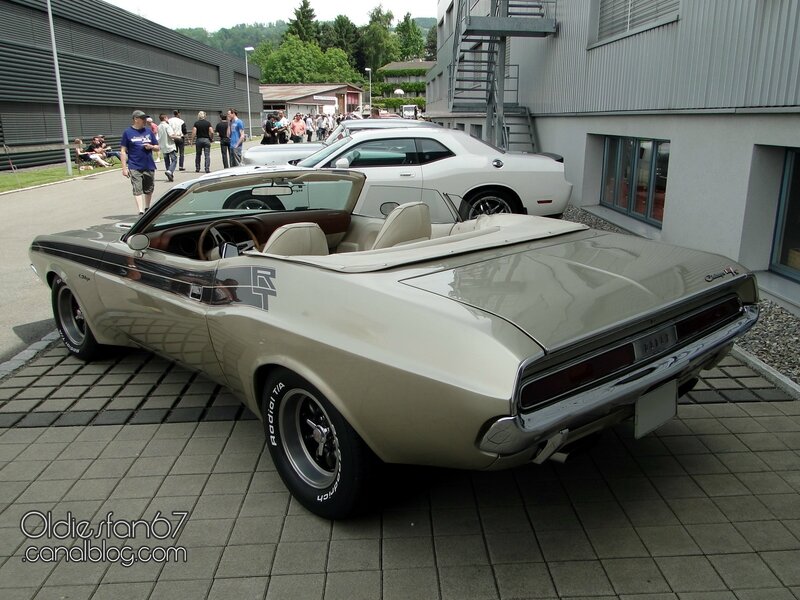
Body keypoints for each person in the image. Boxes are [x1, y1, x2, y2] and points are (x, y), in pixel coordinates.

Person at [120, 110, 159, 215]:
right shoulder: (127, 132)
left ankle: (147, 208)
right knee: (137, 188)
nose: (145, 120)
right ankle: (141, 211)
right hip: (134, 165)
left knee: (149, 188)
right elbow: (123, 151)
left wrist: (151, 146)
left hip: (148, 164)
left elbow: (157, 147)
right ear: (136, 119)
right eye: (143, 119)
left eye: (145, 118)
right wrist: (124, 168)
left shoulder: (148, 131)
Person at [156, 113, 178, 182]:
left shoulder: (158, 127)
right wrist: (178, 137)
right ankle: (170, 171)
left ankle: (169, 175)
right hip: (170, 145)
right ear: (165, 118)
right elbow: (171, 135)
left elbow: (158, 137)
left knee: (167, 161)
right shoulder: (167, 126)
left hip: (163, 146)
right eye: (167, 118)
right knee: (174, 160)